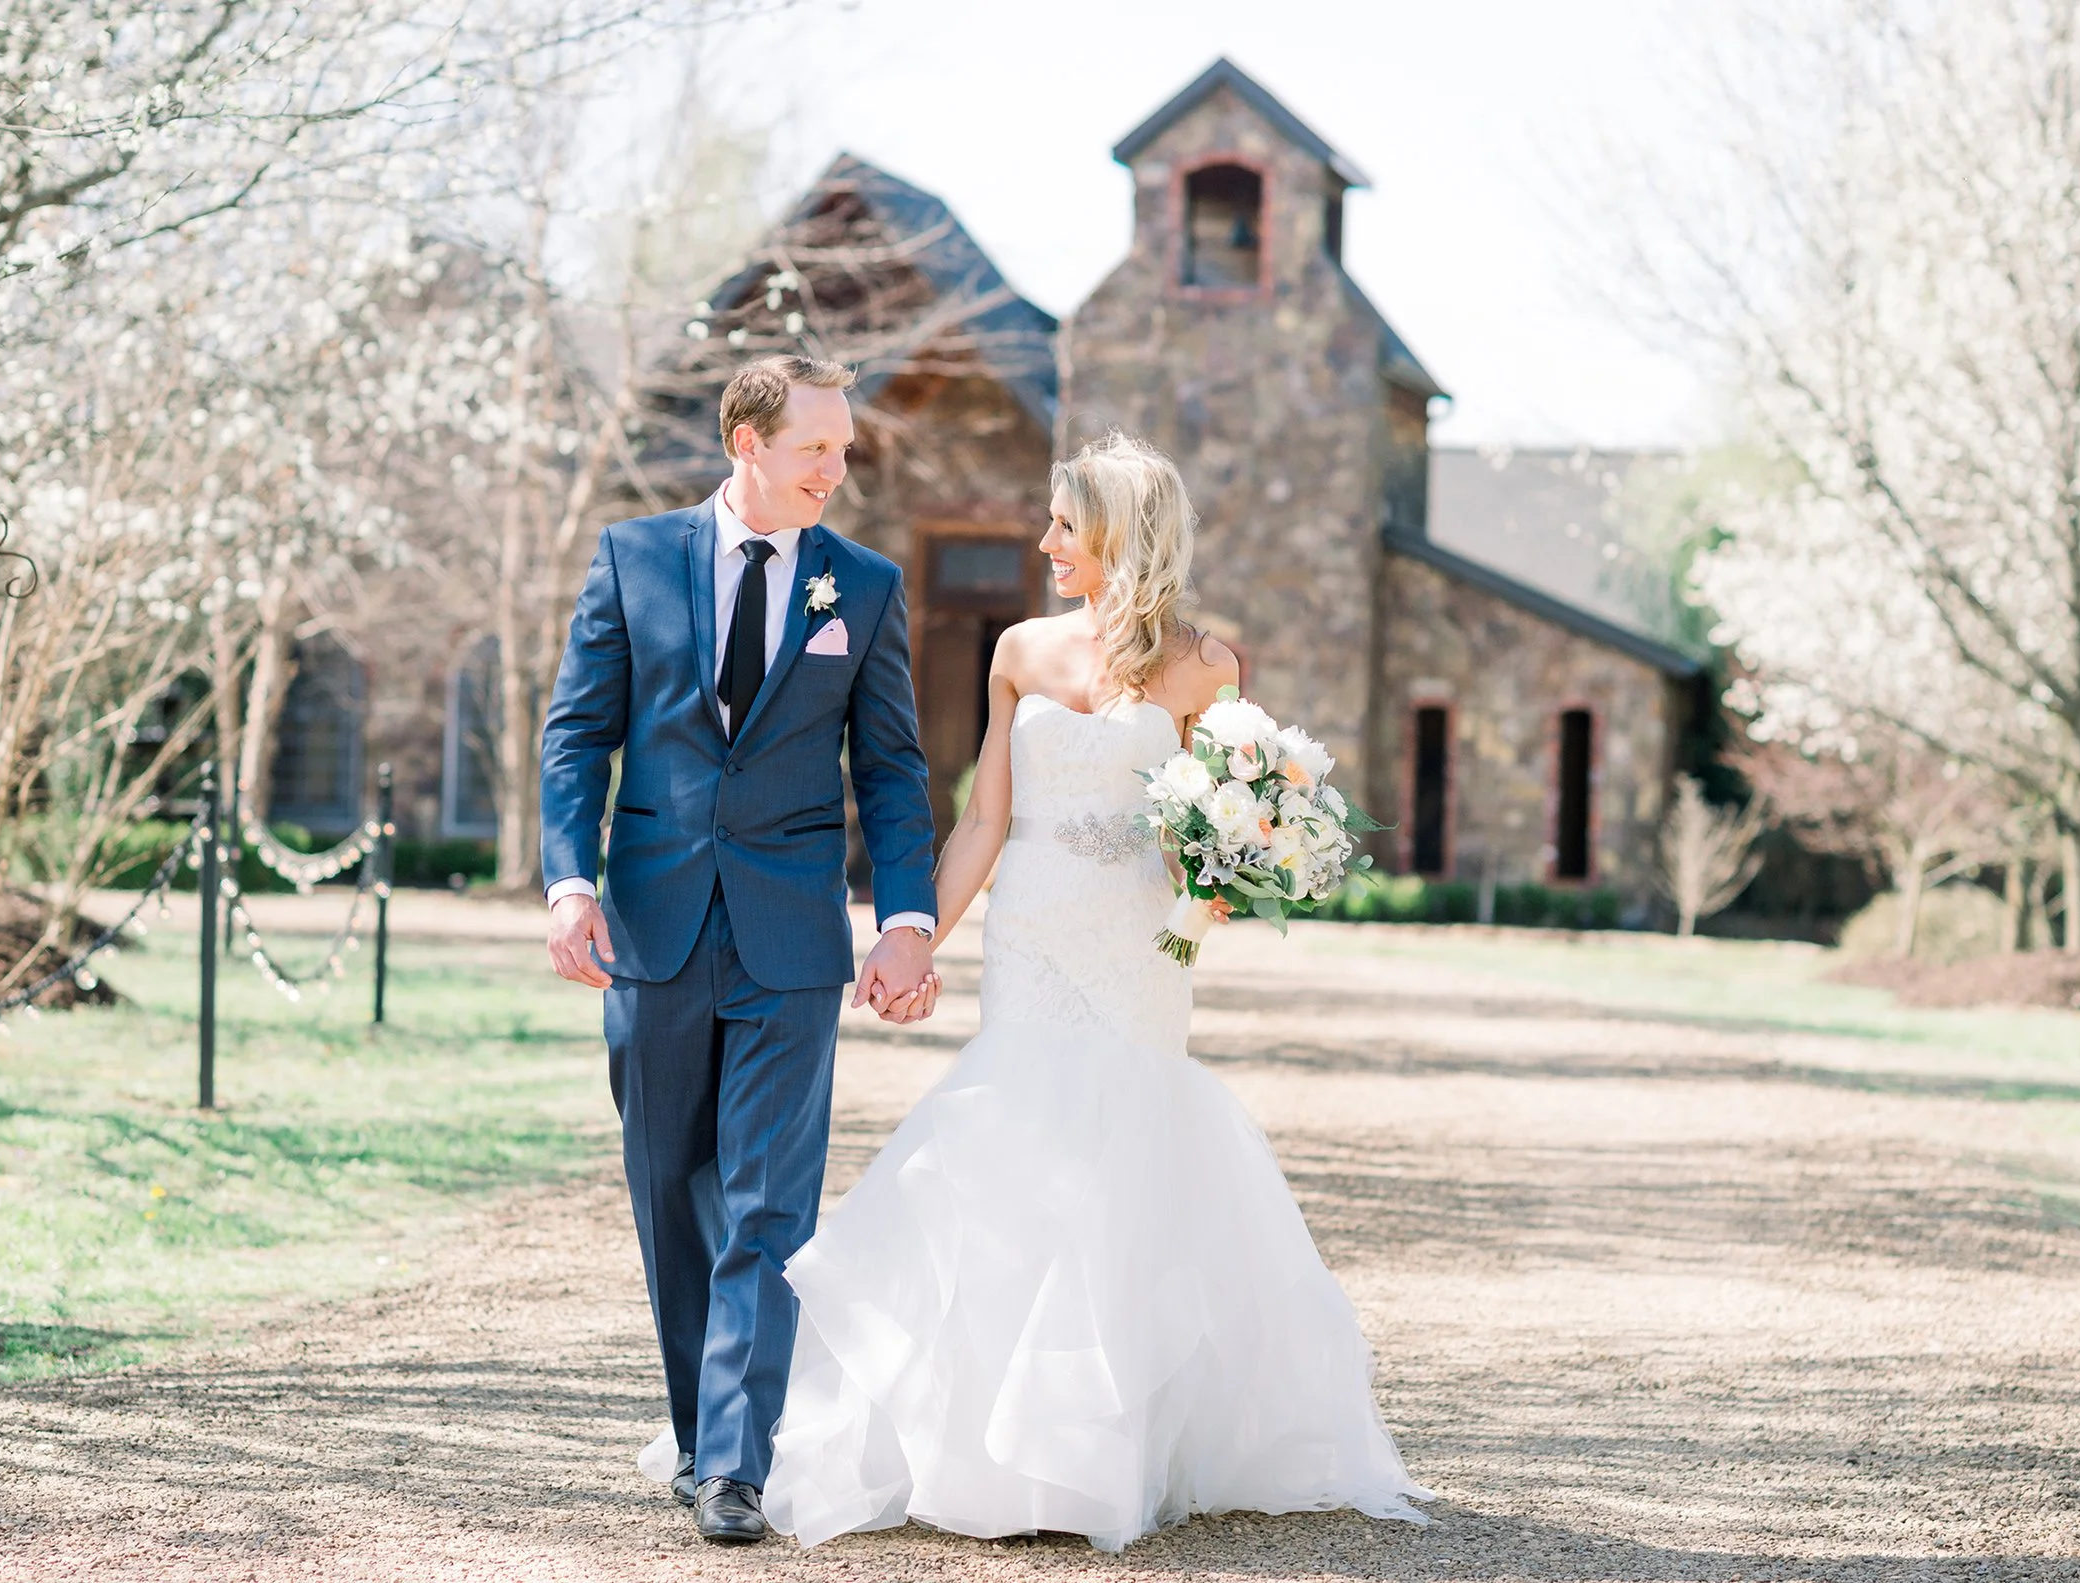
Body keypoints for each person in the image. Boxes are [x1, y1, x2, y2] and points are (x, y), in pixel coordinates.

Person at [759, 429, 1432, 1552]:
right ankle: (975, 1443)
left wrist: (1231, 874)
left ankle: (1096, 1451)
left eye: (1065, 523)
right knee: (1010, 1149)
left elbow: (1218, 824)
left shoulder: (1206, 668)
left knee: (1120, 1163)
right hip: (1028, 931)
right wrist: (915, 936)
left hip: (1134, 948)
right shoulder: (1019, 646)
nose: (1045, 540)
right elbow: (983, 813)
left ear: (1121, 532)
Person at [539, 354, 941, 1546]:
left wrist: (906, 917)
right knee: (671, 1195)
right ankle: (698, 1427)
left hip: (789, 939)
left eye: (844, 446)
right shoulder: (632, 557)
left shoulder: (860, 586)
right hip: (651, 929)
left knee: (768, 1206)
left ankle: (734, 1463)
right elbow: (576, 737)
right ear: (746, 443)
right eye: (817, 446)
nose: (838, 466)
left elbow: (892, 768)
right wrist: (570, 884)